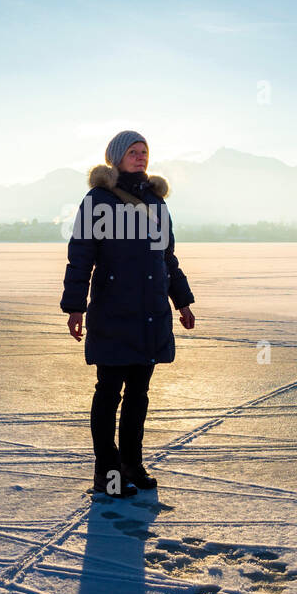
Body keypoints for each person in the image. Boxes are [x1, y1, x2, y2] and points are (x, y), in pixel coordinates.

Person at [60, 130, 196, 497]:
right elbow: (81, 255)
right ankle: (108, 473)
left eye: (144, 151)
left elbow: (166, 258)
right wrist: (75, 306)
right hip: (113, 311)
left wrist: (181, 300)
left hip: (151, 312)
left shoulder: (155, 202)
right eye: (133, 152)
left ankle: (131, 464)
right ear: (116, 158)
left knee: (140, 392)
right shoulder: (99, 201)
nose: (140, 157)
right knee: (109, 391)